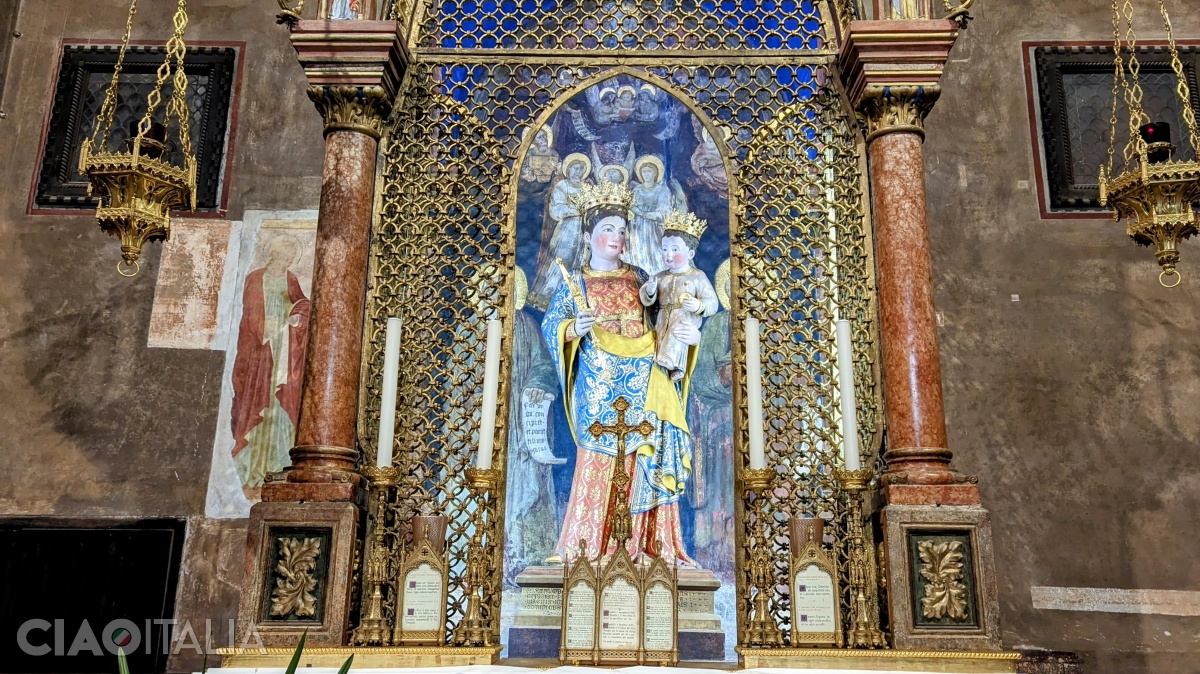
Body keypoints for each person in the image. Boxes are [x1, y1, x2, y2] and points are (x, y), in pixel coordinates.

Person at [541, 181, 700, 566]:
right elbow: (551, 325)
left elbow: (667, 321)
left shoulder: (641, 277)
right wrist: (571, 330)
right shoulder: (574, 281)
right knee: (598, 460)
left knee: (645, 460)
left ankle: (648, 547)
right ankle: (586, 548)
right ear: (587, 235)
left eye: (623, 229)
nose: (617, 236)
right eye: (608, 229)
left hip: (645, 382)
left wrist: (689, 335)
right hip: (597, 385)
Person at [230, 236, 310, 494]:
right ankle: (255, 468)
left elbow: (304, 304)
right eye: (283, 256)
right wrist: (264, 329)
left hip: (283, 349)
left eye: (290, 258)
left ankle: (279, 464)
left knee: (280, 403)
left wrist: (296, 317)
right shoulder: (255, 278)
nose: (286, 261)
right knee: (258, 401)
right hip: (261, 349)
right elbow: (248, 314)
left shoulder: (291, 280)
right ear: (273, 253)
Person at [504, 268, 562, 576]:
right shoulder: (473, 329)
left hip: (522, 424)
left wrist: (538, 384)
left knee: (529, 481)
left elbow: (545, 364)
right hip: (492, 432)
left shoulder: (526, 325)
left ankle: (528, 556)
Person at [687, 260, 734, 574]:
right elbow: (700, 377)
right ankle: (718, 553)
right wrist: (725, 377)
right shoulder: (717, 325)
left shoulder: (774, 325)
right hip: (719, 424)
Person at [640, 211, 720, 382]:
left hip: (683, 317)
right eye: (665, 249)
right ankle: (665, 363)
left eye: (675, 250)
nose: (668, 255)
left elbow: (712, 302)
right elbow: (646, 300)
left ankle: (674, 363)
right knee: (658, 337)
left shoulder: (697, 276)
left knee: (679, 331)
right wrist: (650, 291)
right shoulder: (660, 276)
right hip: (661, 319)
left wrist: (698, 306)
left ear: (690, 254)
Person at [529, 153, 593, 309]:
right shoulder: (562, 186)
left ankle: (579, 296)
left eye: (580, 169)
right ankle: (551, 293)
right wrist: (575, 210)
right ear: (568, 170)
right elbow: (555, 209)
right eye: (574, 168)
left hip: (586, 230)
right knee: (562, 259)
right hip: (567, 230)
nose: (577, 172)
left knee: (583, 260)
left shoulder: (588, 188)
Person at [627, 155, 674, 275]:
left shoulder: (662, 190)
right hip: (637, 227)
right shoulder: (637, 190)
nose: (646, 174)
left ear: (655, 173)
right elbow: (632, 207)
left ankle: (656, 274)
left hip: (653, 227)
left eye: (649, 171)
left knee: (654, 250)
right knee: (638, 250)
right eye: (644, 172)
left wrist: (646, 214)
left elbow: (664, 210)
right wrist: (634, 212)